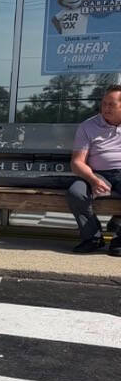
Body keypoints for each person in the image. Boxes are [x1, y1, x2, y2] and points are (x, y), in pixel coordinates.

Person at [66, 83, 121, 255]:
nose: (106, 108)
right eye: (104, 103)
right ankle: (93, 238)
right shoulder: (88, 126)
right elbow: (77, 162)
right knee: (76, 192)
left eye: (111, 104)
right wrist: (93, 180)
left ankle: (119, 239)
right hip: (97, 173)